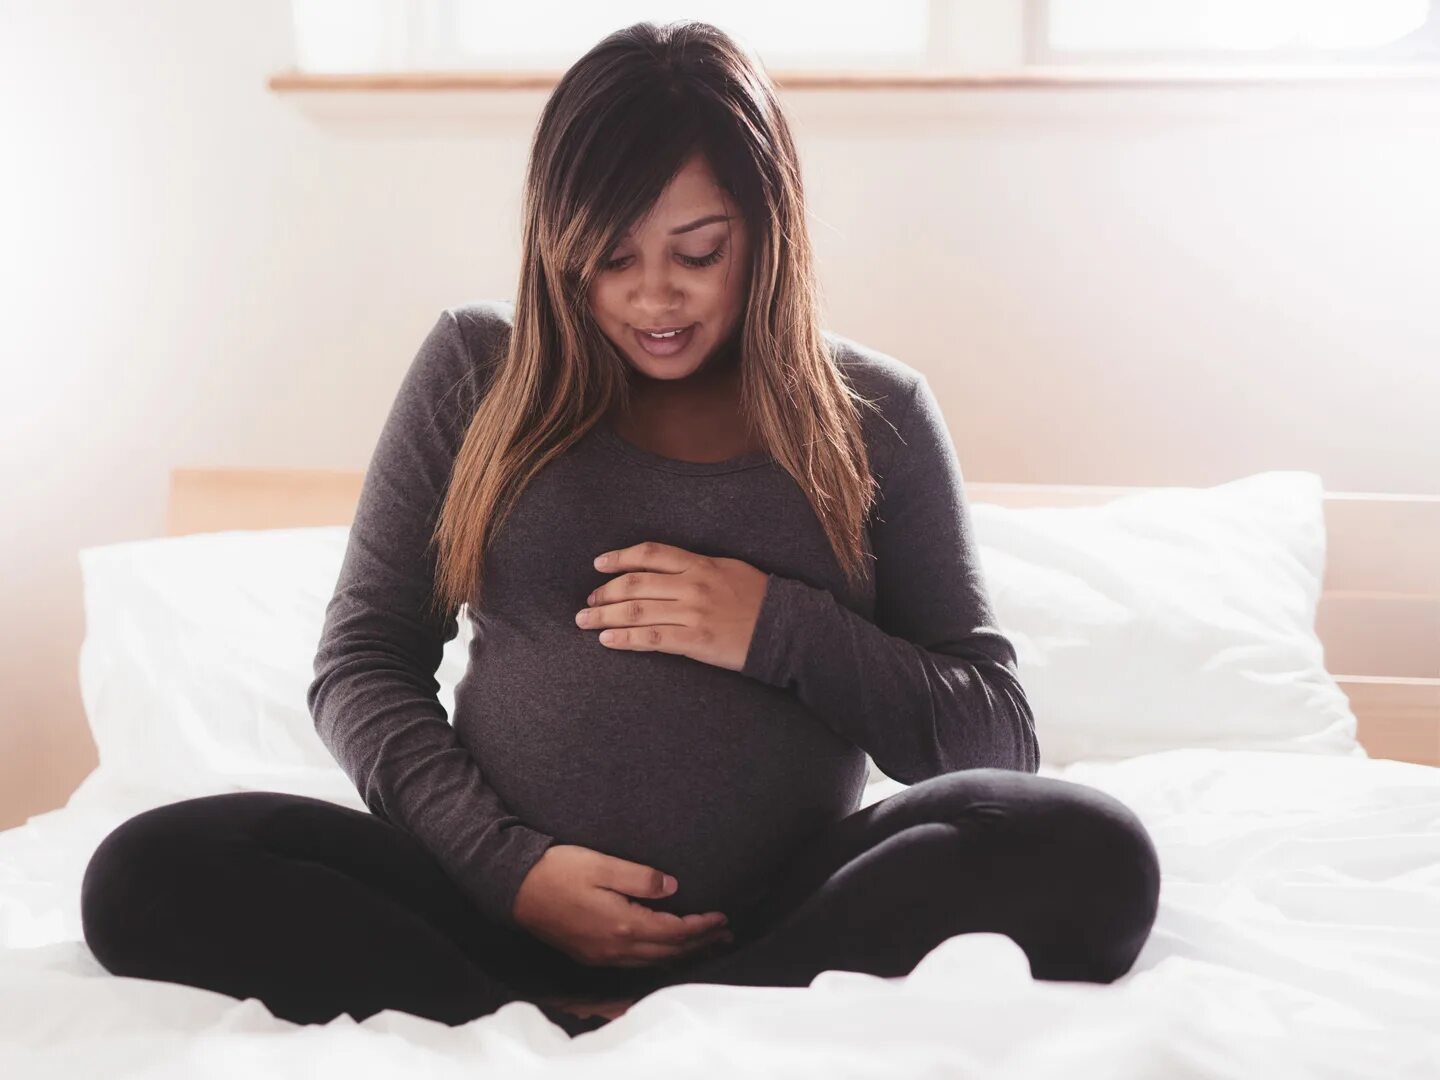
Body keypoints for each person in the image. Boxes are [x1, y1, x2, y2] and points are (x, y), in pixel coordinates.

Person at [79, 20, 1161, 1039]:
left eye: (698, 252)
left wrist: (777, 629)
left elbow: (995, 738)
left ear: (768, 234)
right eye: (609, 257)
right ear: (558, 245)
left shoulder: (876, 413)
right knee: (146, 873)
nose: (654, 297)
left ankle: (664, 1012)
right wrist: (508, 868)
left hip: (787, 918)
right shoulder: (475, 372)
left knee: (1092, 852)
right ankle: (542, 1014)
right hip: (487, 905)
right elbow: (363, 665)